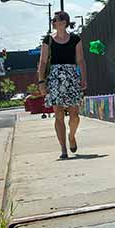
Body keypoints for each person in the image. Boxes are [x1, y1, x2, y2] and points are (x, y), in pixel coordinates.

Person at [38, 11, 87, 159]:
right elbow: (43, 62)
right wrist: (41, 81)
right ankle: (63, 149)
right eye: (53, 20)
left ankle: (71, 136)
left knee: (74, 115)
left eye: (55, 20)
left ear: (64, 22)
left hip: (72, 78)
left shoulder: (75, 39)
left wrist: (83, 78)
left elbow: (80, 60)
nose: (53, 22)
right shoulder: (48, 40)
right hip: (54, 79)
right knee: (58, 114)